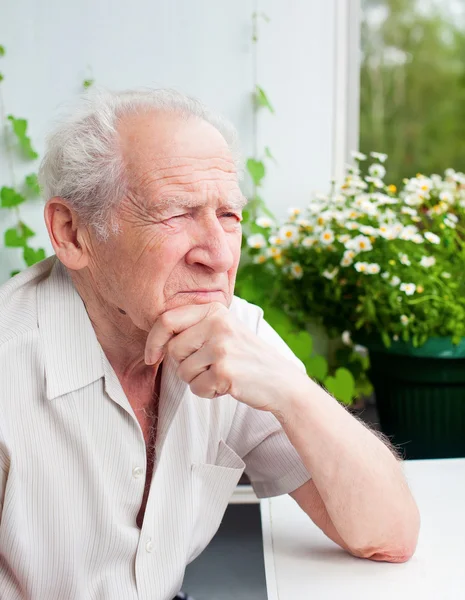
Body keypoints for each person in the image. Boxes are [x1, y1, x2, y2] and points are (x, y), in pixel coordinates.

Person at [0, 88, 420, 600]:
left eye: (229, 215)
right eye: (176, 213)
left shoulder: (232, 332)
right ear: (72, 233)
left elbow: (388, 535)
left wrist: (292, 391)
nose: (220, 256)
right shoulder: (10, 364)